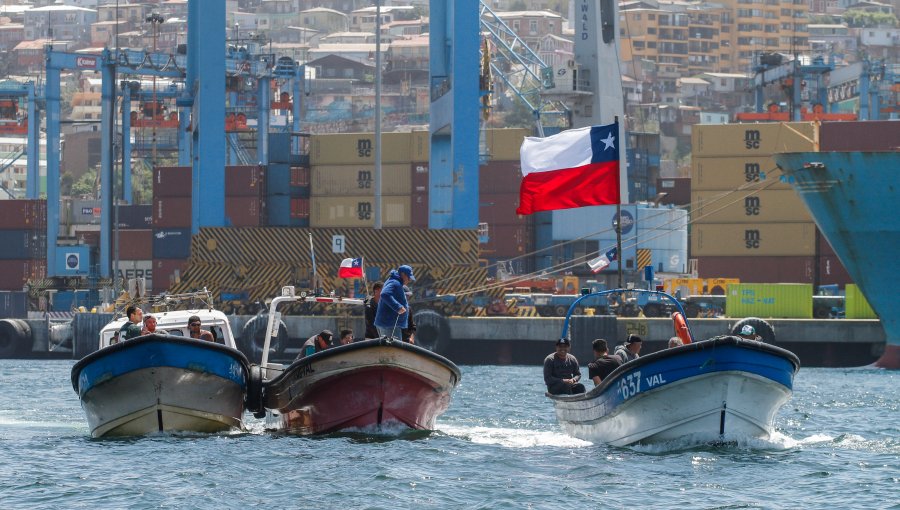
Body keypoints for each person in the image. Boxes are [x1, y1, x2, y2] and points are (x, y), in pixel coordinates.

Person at [374, 265, 415, 340]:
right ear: (403, 274)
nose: (409, 280)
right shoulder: (395, 282)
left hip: (389, 323)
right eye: (409, 277)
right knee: (394, 349)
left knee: (389, 349)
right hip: (390, 324)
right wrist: (398, 307)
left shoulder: (394, 281)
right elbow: (385, 294)